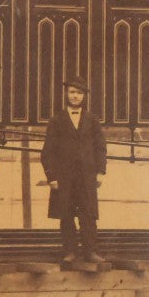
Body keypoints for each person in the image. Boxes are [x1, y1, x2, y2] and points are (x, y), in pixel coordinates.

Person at [42, 75, 106, 263]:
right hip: (64, 177)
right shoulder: (56, 120)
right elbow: (48, 151)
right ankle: (70, 251)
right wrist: (51, 177)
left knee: (88, 214)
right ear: (66, 94)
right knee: (66, 213)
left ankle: (90, 251)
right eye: (72, 92)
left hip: (87, 176)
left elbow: (100, 147)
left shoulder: (92, 120)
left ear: (84, 96)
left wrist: (100, 172)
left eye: (79, 93)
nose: (75, 96)